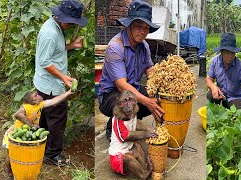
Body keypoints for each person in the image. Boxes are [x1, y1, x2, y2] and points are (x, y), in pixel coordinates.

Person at [98, 0, 164, 141]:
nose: (143, 32)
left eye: (146, 28)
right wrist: (147, 101)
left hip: (133, 89)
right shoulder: (115, 47)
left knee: (160, 99)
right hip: (111, 94)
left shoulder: (144, 46)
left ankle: (133, 121)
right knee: (129, 103)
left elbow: (149, 70)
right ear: (129, 25)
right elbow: (121, 85)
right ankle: (114, 125)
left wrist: (158, 87)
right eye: (138, 26)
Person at [33, 0, 88, 166]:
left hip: (44, 84)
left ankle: (41, 146)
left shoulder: (55, 27)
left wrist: (71, 45)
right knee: (57, 121)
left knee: (44, 119)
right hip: (51, 87)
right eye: (71, 22)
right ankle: (52, 155)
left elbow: (54, 51)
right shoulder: (50, 33)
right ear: (61, 17)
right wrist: (64, 78)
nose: (72, 25)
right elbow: (44, 61)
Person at [2, 89, 74, 176]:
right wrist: (31, 124)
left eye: (37, 94)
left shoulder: (40, 104)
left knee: (23, 152)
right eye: (36, 96)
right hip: (16, 132)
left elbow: (54, 101)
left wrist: (67, 93)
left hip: (27, 132)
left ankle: (22, 168)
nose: (39, 96)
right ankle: (7, 169)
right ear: (31, 101)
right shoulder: (26, 107)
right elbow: (18, 114)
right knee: (12, 154)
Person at [206, 32, 241, 109]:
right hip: (221, 94)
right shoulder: (215, 61)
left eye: (233, 52)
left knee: (237, 108)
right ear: (221, 51)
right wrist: (213, 87)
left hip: (235, 97)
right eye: (227, 52)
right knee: (210, 95)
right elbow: (209, 79)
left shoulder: (239, 65)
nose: (230, 56)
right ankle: (220, 108)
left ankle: (229, 108)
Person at [109, 90, 157, 179]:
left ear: (135, 101)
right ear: (119, 104)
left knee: (137, 145)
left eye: (130, 100)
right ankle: (143, 174)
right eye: (125, 101)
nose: (128, 105)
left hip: (128, 149)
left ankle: (145, 167)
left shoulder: (132, 113)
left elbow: (135, 123)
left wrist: (147, 128)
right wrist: (145, 134)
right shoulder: (118, 119)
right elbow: (126, 136)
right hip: (117, 157)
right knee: (127, 158)